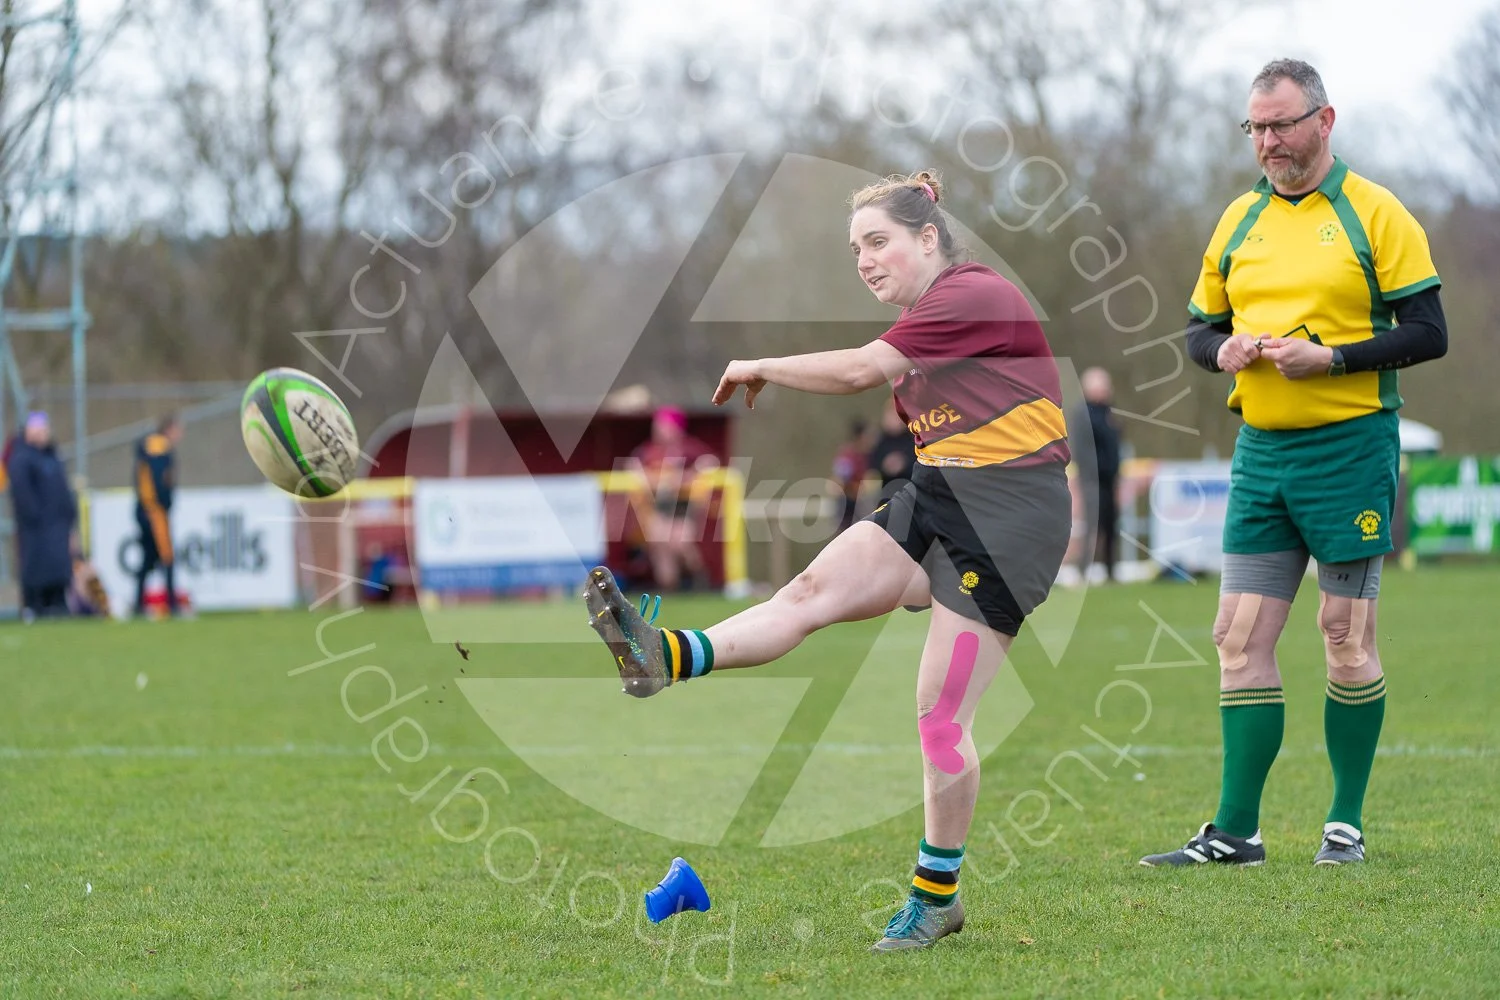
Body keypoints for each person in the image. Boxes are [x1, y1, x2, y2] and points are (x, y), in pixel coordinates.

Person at [584, 170, 1071, 951]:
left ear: (929, 238)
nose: (865, 261)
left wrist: (762, 366)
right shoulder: (924, 318)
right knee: (809, 591)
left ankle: (937, 897)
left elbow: (855, 371)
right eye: (855, 250)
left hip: (1011, 521)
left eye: (878, 242)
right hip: (939, 492)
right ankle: (662, 655)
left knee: (940, 717)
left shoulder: (971, 294)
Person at [1140, 60, 1447, 870]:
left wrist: (1334, 359)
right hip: (1262, 454)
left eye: (1281, 124)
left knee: (1344, 633)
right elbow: (1198, 330)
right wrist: (1222, 351)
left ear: (1324, 120)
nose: (1268, 141)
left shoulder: (1375, 212)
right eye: (1256, 127)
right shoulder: (1237, 219)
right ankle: (1235, 832)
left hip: (1350, 449)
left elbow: (1429, 332)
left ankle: (1344, 824)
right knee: (1237, 636)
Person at [628, 406, 717, 592]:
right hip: (659, 506)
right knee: (659, 544)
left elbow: (710, 464)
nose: (658, 430)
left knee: (680, 543)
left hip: (683, 506)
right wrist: (653, 480)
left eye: (663, 425)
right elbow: (633, 468)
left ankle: (700, 578)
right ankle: (669, 587)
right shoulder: (648, 451)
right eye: (657, 425)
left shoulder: (690, 448)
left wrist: (686, 477)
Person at [6, 411, 77, 619]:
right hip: (36, 526)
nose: (42, 434)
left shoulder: (53, 456)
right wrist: (35, 515)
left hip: (57, 524)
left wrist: (69, 516)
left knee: (58, 564)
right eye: (38, 430)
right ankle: (34, 604)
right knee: (35, 564)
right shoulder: (21, 458)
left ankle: (57, 601)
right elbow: (21, 492)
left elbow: (63, 489)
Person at [1070, 367, 1122, 583]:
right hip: (1092, 479)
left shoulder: (1109, 413)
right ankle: (1083, 570)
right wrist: (1090, 473)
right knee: (1092, 526)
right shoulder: (1082, 414)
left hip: (1110, 479)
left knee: (1111, 525)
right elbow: (1080, 449)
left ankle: (1111, 571)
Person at [133, 413, 183, 618]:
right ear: (169, 429)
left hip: (148, 510)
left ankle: (138, 604)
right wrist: (164, 504)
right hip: (154, 512)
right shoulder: (159, 448)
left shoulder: (151, 446)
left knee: (149, 558)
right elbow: (159, 481)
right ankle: (171, 604)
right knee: (166, 557)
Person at [867, 396, 917, 499]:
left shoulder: (913, 439)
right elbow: (872, 466)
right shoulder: (879, 440)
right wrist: (884, 466)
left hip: (910, 491)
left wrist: (903, 464)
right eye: (890, 415)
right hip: (886, 493)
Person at [831, 417, 874, 534]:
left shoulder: (868, 455)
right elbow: (839, 481)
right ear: (860, 436)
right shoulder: (848, 455)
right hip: (848, 505)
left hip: (860, 504)